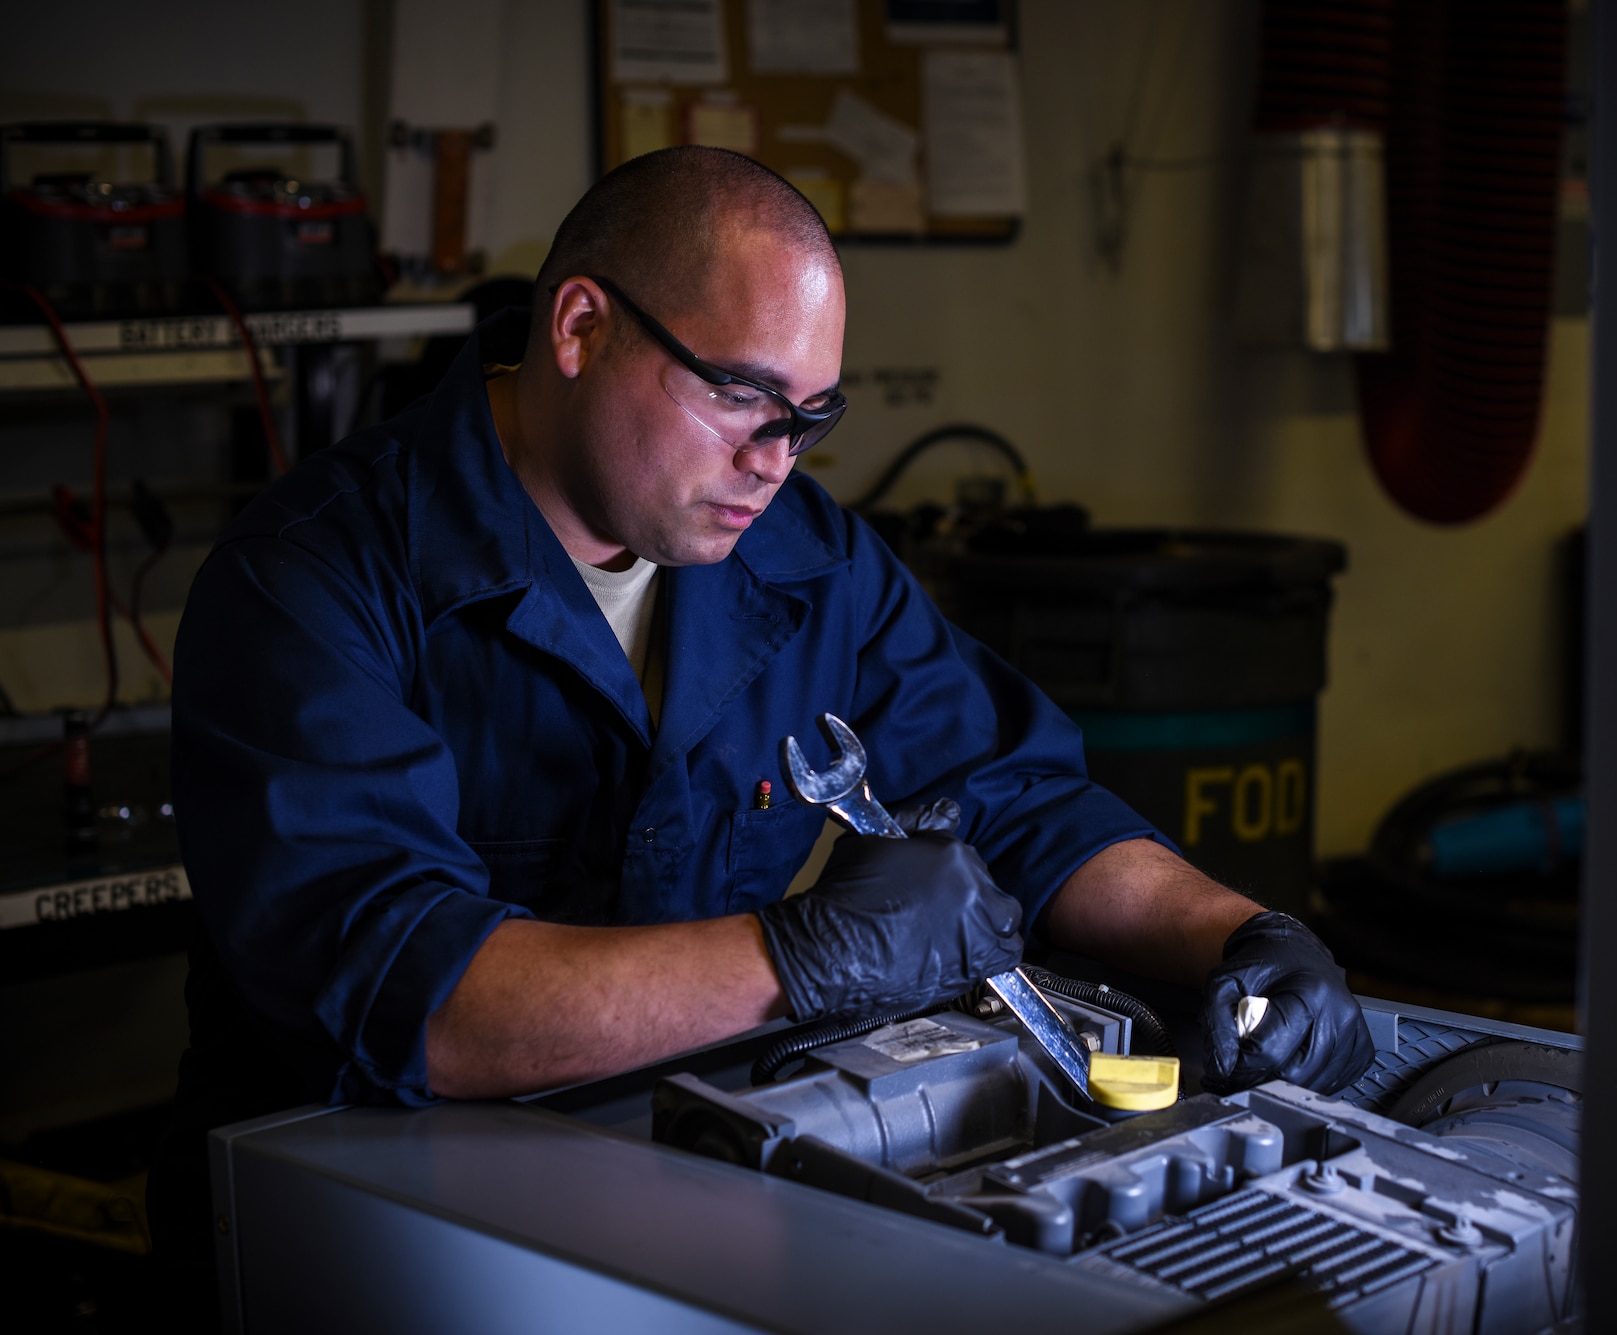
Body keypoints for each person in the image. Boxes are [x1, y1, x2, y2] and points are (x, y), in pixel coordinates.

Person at [150, 147, 1372, 1303]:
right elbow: (408, 989)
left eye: (812, 416)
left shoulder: (802, 559)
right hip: (357, 1227)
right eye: (740, 394)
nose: (774, 461)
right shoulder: (312, 579)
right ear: (579, 328)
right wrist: (802, 959)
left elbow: (1015, 793)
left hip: (670, 1178)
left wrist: (1236, 932)